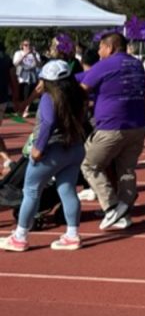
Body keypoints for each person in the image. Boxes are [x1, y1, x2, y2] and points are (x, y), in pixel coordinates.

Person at [0, 61, 89, 252]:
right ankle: (72, 235)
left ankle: (20, 237)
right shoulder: (78, 94)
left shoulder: (50, 98)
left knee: (31, 192)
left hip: (52, 150)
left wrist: (38, 149)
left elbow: (48, 122)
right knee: (67, 190)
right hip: (74, 148)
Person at [78, 32, 145, 231]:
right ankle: (124, 210)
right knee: (126, 169)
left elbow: (83, 88)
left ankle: (111, 207)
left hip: (112, 126)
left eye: (100, 47)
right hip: (137, 125)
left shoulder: (105, 64)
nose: (99, 52)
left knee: (90, 164)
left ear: (110, 47)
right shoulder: (136, 64)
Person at [0, 41, 18, 173]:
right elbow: (14, 79)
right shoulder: (6, 59)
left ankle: (7, 159)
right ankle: (7, 159)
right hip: (3, 99)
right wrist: (16, 98)